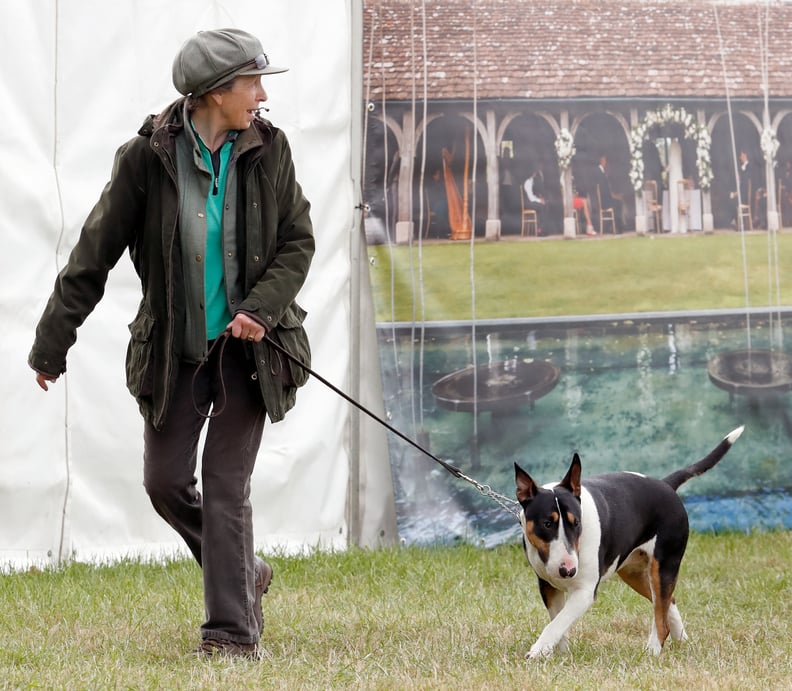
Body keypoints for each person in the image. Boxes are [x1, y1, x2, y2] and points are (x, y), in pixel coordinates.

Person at [28, 28, 315, 659]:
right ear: (215, 92)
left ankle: (231, 635)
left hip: (252, 351)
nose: (262, 96)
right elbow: (92, 255)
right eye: (253, 83)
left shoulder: (271, 148)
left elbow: (298, 240)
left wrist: (260, 309)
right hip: (175, 351)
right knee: (164, 482)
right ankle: (247, 571)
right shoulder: (145, 159)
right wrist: (53, 343)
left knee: (224, 481)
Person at [593, 155, 623, 232]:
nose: (606, 163)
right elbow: (603, 189)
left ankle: (613, 226)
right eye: (605, 161)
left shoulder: (600, 172)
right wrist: (613, 196)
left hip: (604, 198)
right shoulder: (599, 172)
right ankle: (618, 228)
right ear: (602, 161)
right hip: (604, 200)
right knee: (618, 203)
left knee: (617, 202)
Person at [523, 169, 546, 234]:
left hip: (533, 201)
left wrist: (541, 199)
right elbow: (531, 197)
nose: (535, 174)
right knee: (540, 207)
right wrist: (539, 201)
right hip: (529, 203)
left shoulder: (533, 181)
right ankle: (539, 230)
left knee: (545, 206)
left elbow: (534, 195)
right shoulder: (528, 182)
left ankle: (543, 228)